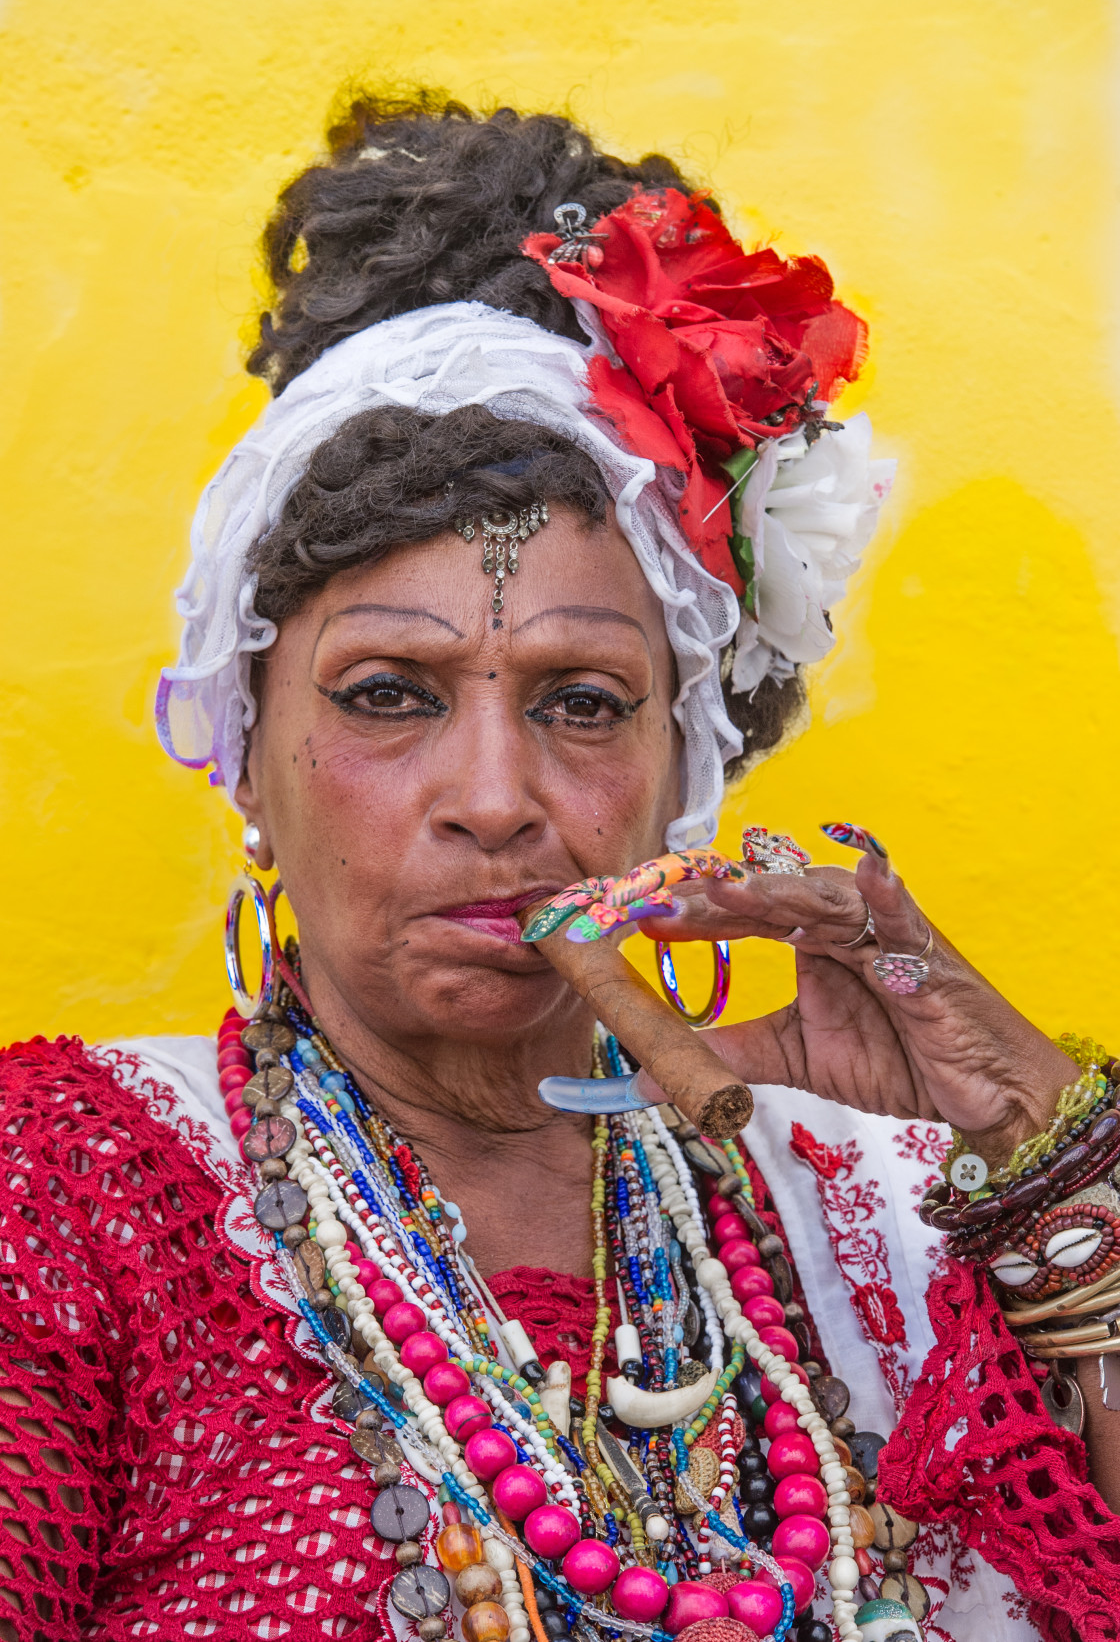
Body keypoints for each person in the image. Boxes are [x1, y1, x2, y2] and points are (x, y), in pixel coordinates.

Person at [1, 94, 1116, 1642]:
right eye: (388, 692)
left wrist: (1047, 1166)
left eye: (583, 705)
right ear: (244, 752)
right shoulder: (76, 1205)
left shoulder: (916, 1205)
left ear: (686, 774)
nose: (495, 797)